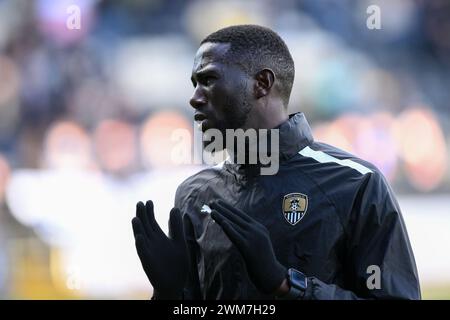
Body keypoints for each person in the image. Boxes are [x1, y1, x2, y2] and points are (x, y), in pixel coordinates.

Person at [131, 25, 421, 300]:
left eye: (208, 80)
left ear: (262, 83)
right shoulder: (194, 195)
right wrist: (168, 295)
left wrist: (286, 285)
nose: (194, 99)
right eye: (194, 85)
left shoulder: (355, 183)